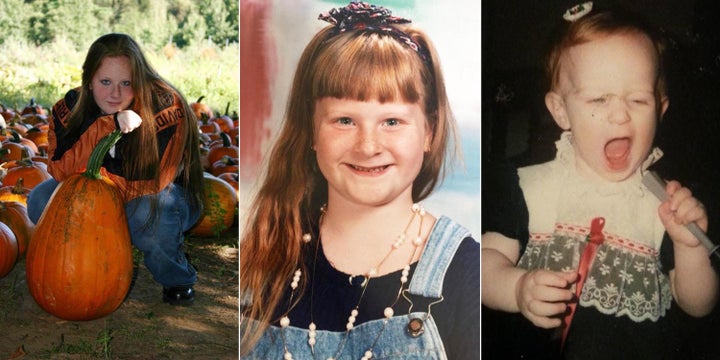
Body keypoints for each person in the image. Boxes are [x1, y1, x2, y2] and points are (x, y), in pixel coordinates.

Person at [239, 2, 479, 359]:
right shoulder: (268, 252)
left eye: (392, 121)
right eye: (344, 121)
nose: (368, 146)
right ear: (312, 132)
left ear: (429, 131)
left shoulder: (467, 274)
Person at [481, 3, 719, 359]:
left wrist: (690, 248)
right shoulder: (530, 188)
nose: (621, 114)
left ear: (661, 110)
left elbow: (698, 305)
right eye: (598, 99)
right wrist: (516, 288)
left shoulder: (665, 205)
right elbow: (482, 264)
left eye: (638, 100)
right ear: (561, 111)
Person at [27, 33, 205, 306]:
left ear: (140, 80)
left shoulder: (166, 108)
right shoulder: (71, 107)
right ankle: (94, 266)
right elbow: (62, 171)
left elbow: (152, 182)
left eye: (126, 83)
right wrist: (109, 124)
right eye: (105, 82)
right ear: (89, 81)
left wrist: (99, 202)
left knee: (145, 217)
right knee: (41, 200)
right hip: (105, 191)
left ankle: (177, 278)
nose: (115, 94)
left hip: (167, 197)